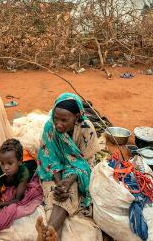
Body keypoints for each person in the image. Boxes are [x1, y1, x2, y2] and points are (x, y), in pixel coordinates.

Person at [35, 93, 104, 240]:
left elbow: (86, 163)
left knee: (69, 190)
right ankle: (51, 234)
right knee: (55, 193)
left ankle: (47, 231)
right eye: (56, 118)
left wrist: (68, 181)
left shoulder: (87, 129)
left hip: (78, 172)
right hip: (54, 172)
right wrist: (60, 183)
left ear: (77, 117)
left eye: (64, 120)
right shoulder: (50, 127)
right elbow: (49, 158)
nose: (58, 124)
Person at [0, 138, 44, 232]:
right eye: (2, 163)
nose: (5, 168)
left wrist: (1, 204)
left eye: (10, 163)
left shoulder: (24, 172)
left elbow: (18, 199)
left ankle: (26, 157)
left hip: (30, 165)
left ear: (19, 162)